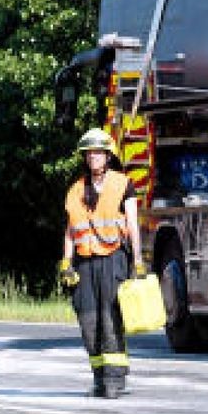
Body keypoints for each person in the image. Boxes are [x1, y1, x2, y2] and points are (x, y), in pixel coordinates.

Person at [58, 128, 146, 399]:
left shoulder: (123, 184)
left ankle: (115, 379)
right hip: (84, 263)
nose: (93, 157)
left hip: (113, 258)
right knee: (88, 322)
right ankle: (98, 378)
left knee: (110, 319)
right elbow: (71, 229)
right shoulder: (75, 190)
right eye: (89, 153)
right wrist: (66, 263)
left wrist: (139, 260)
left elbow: (132, 223)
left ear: (108, 156)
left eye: (98, 152)